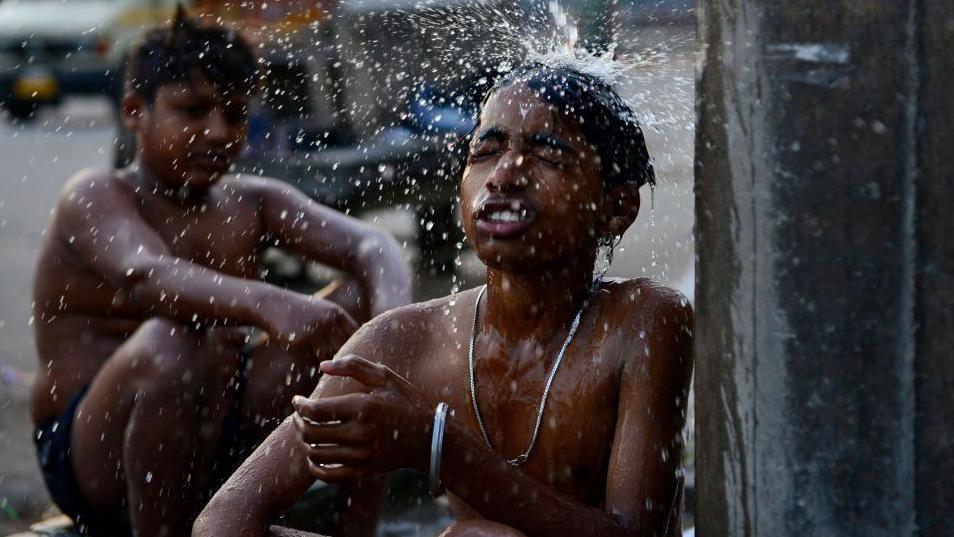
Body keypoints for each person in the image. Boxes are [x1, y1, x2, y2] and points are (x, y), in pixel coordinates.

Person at [194, 61, 693, 537]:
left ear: (615, 208)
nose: (505, 175)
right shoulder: (402, 340)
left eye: (548, 156)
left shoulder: (644, 322)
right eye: (485, 151)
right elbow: (223, 517)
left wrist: (434, 444)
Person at [30, 9, 411, 537]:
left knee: (367, 323)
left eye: (234, 116)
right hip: (96, 456)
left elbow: (375, 244)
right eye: (192, 111)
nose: (217, 132)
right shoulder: (97, 196)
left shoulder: (251, 201)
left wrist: (387, 328)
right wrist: (271, 301)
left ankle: (356, 531)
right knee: (178, 338)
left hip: (219, 431)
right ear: (135, 112)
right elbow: (149, 275)